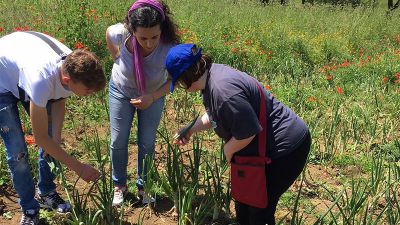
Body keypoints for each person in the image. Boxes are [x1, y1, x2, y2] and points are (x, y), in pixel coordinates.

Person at [166, 44, 311, 225]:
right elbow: (215, 114)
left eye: (179, 82)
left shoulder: (223, 91)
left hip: (285, 150)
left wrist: (228, 150)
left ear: (187, 76)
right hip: (264, 147)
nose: (180, 86)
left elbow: (247, 132)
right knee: (244, 206)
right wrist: (190, 129)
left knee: (259, 210)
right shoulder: (212, 76)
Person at [0, 31, 106, 225]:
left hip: (23, 64)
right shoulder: (41, 80)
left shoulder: (72, 64)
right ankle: (30, 209)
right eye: (88, 90)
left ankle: (47, 193)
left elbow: (59, 99)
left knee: (52, 141)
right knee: (18, 153)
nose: (90, 94)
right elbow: (40, 138)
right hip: (3, 81)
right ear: (67, 79)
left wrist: (55, 137)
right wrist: (78, 167)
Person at [105, 0, 180, 206]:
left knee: (146, 142)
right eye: (143, 38)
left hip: (153, 95)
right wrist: (117, 57)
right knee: (118, 139)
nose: (149, 43)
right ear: (132, 30)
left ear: (161, 29)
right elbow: (109, 34)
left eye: (154, 37)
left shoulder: (169, 47)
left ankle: (143, 187)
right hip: (120, 90)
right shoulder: (121, 33)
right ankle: (119, 186)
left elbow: (175, 79)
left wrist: (153, 97)